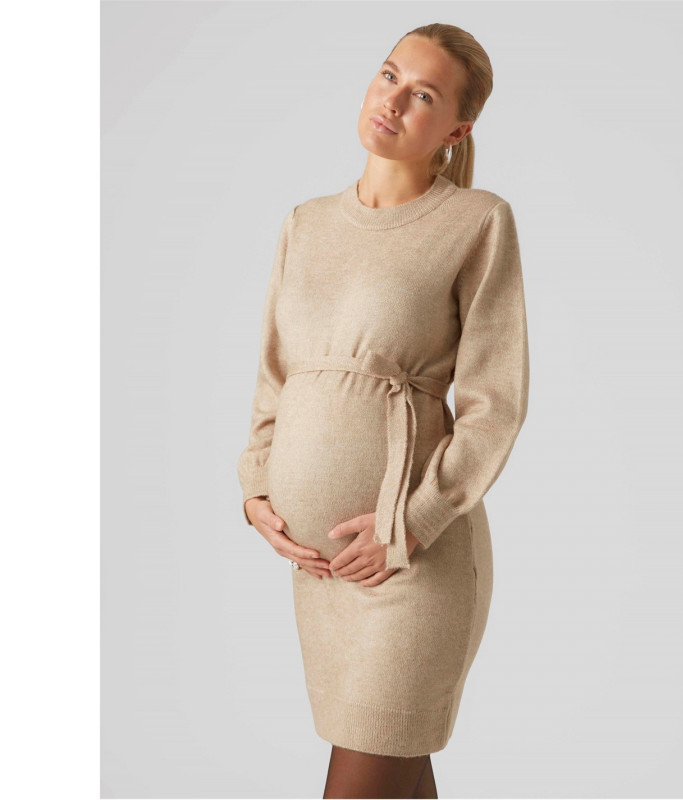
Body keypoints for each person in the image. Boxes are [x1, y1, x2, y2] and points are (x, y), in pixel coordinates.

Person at [237, 22, 530, 799]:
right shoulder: (305, 223)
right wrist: (257, 489)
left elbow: (496, 405)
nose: (393, 101)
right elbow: (276, 375)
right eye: (390, 75)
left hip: (414, 566)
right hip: (323, 574)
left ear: (457, 130)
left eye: (424, 95)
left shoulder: (476, 221)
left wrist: (412, 523)